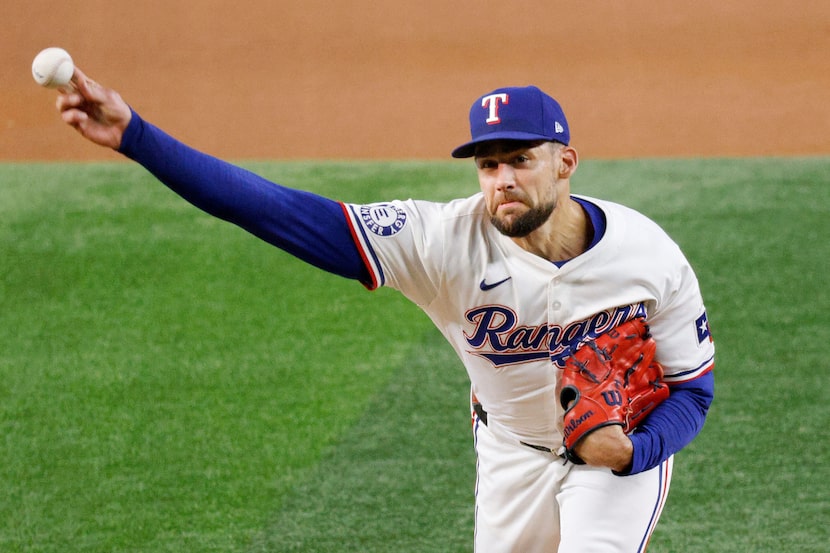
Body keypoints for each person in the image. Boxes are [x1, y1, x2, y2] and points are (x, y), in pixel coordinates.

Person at [55, 69, 715, 552]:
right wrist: (137, 137)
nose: (503, 179)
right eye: (489, 164)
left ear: (565, 161)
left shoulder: (646, 255)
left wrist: (633, 451)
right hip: (511, 452)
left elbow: (693, 388)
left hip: (617, 463)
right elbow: (277, 211)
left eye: (521, 159)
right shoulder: (439, 240)